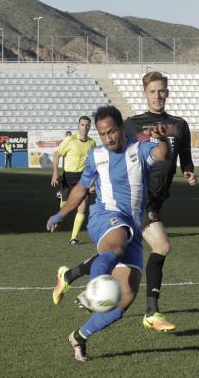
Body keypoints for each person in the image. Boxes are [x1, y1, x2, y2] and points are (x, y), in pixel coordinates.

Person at [53, 71, 196, 333]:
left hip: (153, 200)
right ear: (144, 93)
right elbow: (121, 154)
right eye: (152, 91)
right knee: (159, 246)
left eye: (162, 90)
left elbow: (178, 152)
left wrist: (187, 168)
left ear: (168, 91)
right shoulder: (131, 125)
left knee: (121, 265)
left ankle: (71, 279)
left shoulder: (178, 124)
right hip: (134, 204)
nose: (158, 95)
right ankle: (150, 311)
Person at [46, 105, 169, 362]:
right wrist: (61, 213)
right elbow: (80, 188)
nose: (108, 138)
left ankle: (79, 337)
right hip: (105, 216)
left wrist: (162, 138)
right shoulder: (96, 156)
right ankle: (93, 291)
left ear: (120, 128)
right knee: (115, 245)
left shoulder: (139, 148)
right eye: (102, 134)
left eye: (111, 131)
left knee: (124, 299)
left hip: (133, 226)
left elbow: (161, 154)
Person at [51, 116, 96, 245]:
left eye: (87, 125)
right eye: (82, 125)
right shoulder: (69, 140)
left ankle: (73, 238)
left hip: (83, 178)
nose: (85, 127)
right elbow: (57, 155)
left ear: (90, 126)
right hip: (68, 177)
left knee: (83, 204)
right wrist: (55, 174)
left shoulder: (92, 143)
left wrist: (93, 182)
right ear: (78, 125)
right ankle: (58, 219)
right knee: (66, 206)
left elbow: (94, 163)